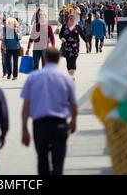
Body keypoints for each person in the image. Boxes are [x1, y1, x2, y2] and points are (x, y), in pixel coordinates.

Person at [21, 47, 78, 175]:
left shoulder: (33, 77)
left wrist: (24, 129)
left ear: (45, 59)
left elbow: (26, 106)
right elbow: (73, 104)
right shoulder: (66, 78)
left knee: (42, 160)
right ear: (59, 60)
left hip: (40, 125)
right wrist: (73, 121)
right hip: (59, 124)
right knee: (58, 161)